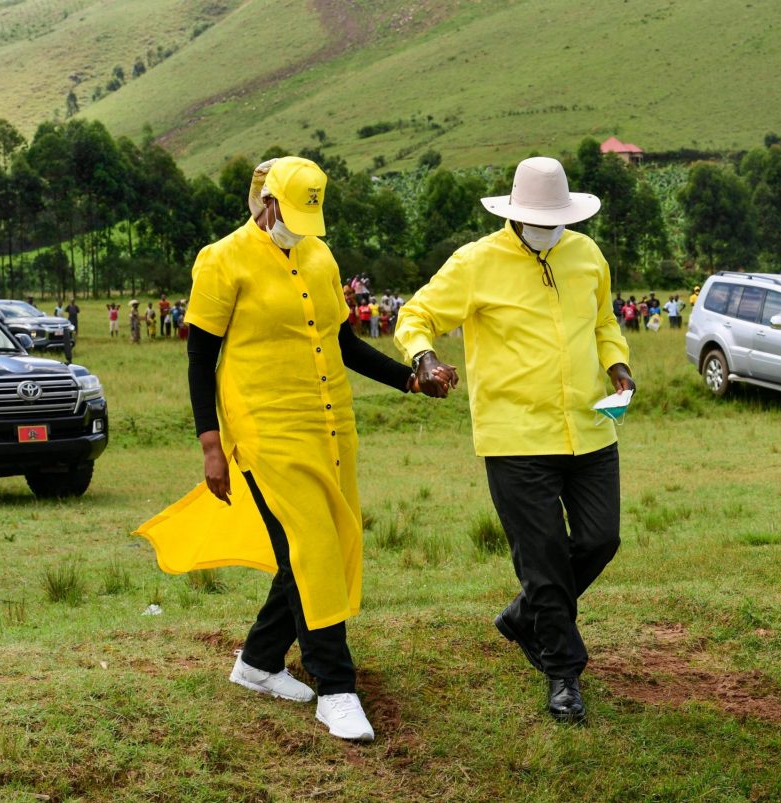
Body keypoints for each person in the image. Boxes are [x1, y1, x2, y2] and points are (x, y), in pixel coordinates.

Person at [135, 157, 450, 743]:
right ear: (269, 200)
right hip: (264, 430)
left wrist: (410, 378)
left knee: (319, 544)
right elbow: (200, 358)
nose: (299, 228)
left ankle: (257, 663)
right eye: (292, 215)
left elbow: (343, 342)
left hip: (331, 426)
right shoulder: (221, 258)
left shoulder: (319, 255)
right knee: (311, 545)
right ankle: (337, 688)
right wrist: (211, 445)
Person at [395, 156, 634, 724]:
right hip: (515, 435)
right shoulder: (476, 262)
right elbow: (417, 313)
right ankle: (562, 672)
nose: (548, 228)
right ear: (515, 213)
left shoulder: (587, 255)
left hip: (590, 424)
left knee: (602, 538)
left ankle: (524, 616)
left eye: (557, 219)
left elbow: (604, 323)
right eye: (538, 218)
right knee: (545, 559)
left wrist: (618, 365)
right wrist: (424, 358)